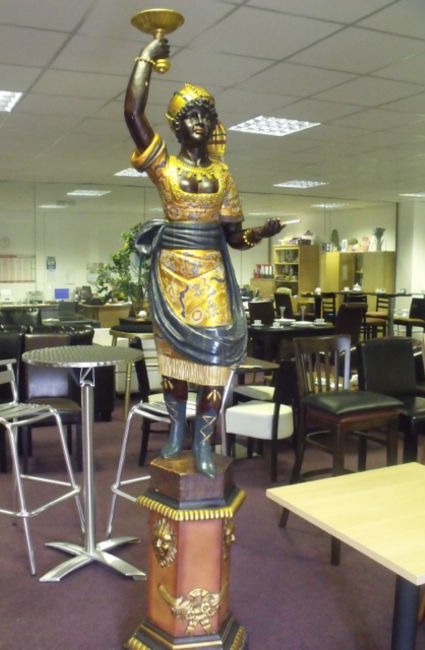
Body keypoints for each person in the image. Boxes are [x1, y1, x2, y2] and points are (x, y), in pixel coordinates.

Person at [125, 37, 284, 478]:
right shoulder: (165, 167)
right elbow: (133, 113)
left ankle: (203, 440)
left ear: (213, 124)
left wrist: (260, 234)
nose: (199, 122)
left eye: (205, 115)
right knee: (174, 358)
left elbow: (234, 237)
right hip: (171, 273)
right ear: (176, 127)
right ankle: (177, 430)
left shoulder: (223, 175)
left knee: (214, 357)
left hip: (211, 274)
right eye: (190, 116)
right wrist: (146, 59)